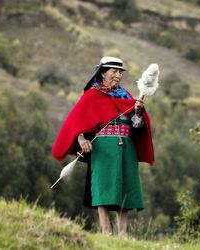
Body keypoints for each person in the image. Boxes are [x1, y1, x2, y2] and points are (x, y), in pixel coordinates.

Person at [52, 56, 154, 237]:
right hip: (103, 148)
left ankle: (122, 234)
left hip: (127, 147)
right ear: (103, 73)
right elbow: (76, 121)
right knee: (104, 187)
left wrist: (138, 112)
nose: (118, 76)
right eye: (114, 72)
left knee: (126, 187)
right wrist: (81, 139)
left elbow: (136, 125)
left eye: (120, 73)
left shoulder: (127, 96)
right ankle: (106, 232)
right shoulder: (92, 95)